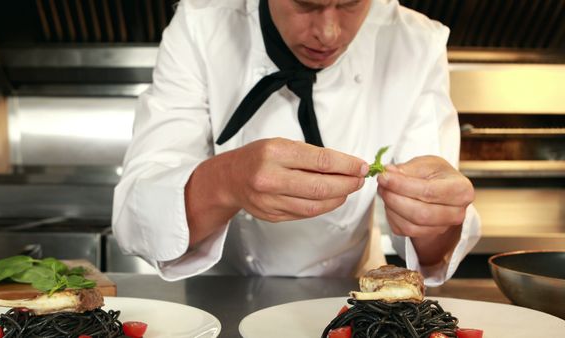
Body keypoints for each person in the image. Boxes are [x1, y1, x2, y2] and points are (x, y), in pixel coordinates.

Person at [112, 0, 481, 286]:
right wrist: (226, 181)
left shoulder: (414, 42)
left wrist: (433, 217)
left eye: (352, 3)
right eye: (306, 4)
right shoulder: (202, 23)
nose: (330, 33)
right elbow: (133, 218)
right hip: (218, 302)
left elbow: (432, 249)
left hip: (349, 304)